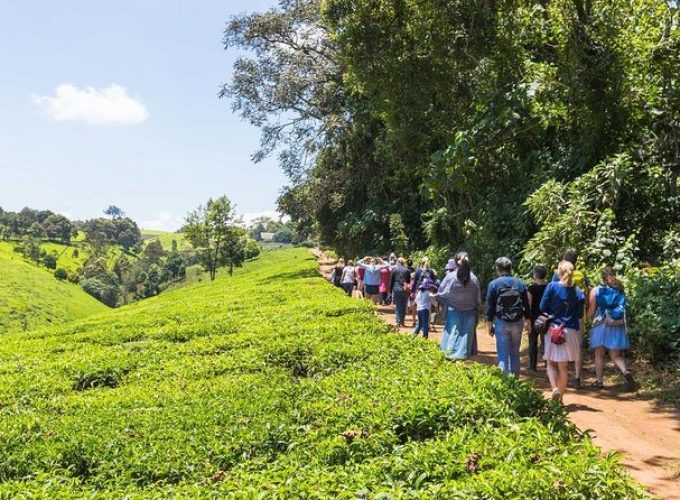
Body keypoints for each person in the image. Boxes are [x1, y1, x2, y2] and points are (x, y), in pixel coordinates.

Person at [540, 260, 585, 404]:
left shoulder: (552, 287)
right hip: (570, 331)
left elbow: (542, 306)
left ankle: (554, 389)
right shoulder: (578, 292)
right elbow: (579, 315)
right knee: (564, 367)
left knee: (551, 362)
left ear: (559, 272)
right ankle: (560, 399)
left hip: (553, 330)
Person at [588, 267, 636, 391]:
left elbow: (592, 310)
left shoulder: (596, 290)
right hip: (616, 325)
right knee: (616, 355)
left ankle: (599, 382)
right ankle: (625, 371)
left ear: (602, 278)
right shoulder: (620, 290)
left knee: (599, 354)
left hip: (601, 324)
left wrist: (587, 321)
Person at [551, 249, 590, 389]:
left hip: (558, 318)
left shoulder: (557, 275)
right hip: (577, 317)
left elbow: (551, 294)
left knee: (559, 347)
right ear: (576, 261)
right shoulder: (581, 275)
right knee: (577, 348)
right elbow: (587, 294)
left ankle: (559, 377)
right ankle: (577, 377)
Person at [486, 257, 530, 377]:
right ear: (511, 268)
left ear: (497, 269)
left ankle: (505, 382)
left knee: (503, 353)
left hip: (501, 322)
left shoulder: (494, 284)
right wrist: (528, 321)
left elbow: (490, 307)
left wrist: (489, 324)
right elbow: (526, 304)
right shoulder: (520, 283)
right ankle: (515, 380)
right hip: (517, 322)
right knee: (515, 352)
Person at [437, 253, 481, 360]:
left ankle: (451, 361)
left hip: (453, 312)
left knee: (452, 337)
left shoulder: (450, 277)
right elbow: (478, 300)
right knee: (465, 341)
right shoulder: (474, 279)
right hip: (470, 313)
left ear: (456, 262)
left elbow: (441, 294)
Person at [527, 265, 549, 371]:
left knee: (532, 342)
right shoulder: (549, 287)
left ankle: (532, 366)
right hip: (546, 318)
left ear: (535, 275)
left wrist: (526, 319)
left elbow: (529, 305)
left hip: (534, 318)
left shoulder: (531, 289)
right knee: (546, 342)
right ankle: (548, 365)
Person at [390, 258, 412, 327]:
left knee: (398, 306)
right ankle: (402, 322)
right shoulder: (407, 270)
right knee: (403, 306)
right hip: (405, 290)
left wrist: (390, 291)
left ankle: (398, 322)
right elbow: (408, 282)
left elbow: (392, 281)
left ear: (397, 262)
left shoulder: (394, 270)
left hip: (396, 289)